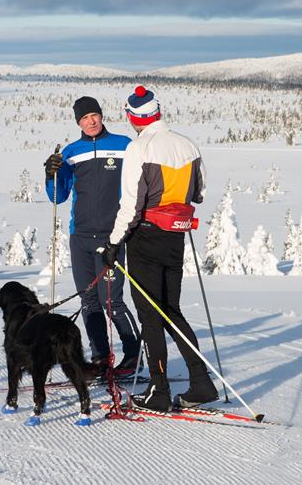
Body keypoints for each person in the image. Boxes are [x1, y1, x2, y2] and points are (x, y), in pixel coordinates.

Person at [101, 85, 216, 412]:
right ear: (158, 111)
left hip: (146, 237)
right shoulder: (187, 144)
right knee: (171, 310)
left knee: (150, 314)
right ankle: (201, 382)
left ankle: (160, 390)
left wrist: (113, 242)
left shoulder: (140, 148)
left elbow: (131, 206)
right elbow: (200, 192)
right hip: (174, 238)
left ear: (132, 116)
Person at [44, 96, 140, 375]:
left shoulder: (124, 145)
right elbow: (58, 197)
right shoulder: (72, 152)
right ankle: (100, 357)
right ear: (78, 122)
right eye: (85, 118)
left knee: (112, 301)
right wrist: (51, 174)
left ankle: (134, 355)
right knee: (88, 300)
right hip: (81, 237)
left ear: (101, 115)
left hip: (113, 236)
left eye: (94, 115)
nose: (91, 121)